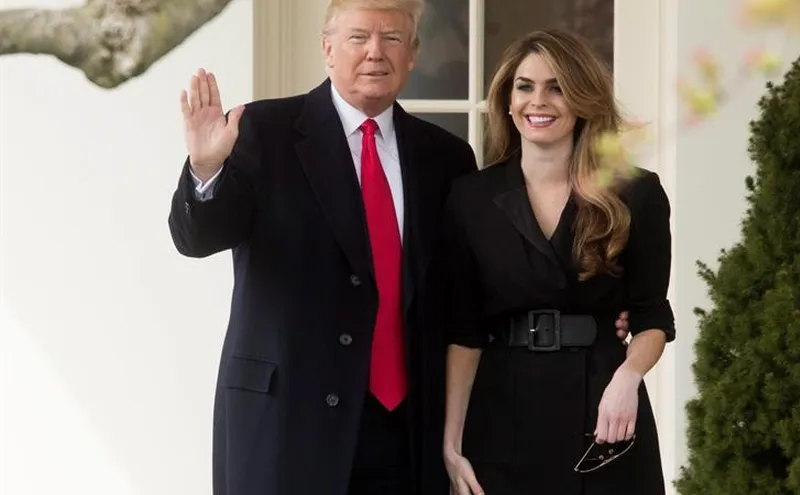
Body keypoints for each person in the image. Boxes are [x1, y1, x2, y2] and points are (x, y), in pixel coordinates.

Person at [170, 0, 633, 492]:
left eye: (391, 38)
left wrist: (599, 310)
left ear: (412, 53)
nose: (375, 52)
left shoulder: (445, 157)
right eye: (358, 37)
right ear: (327, 49)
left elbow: (474, 287)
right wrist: (205, 169)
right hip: (289, 424)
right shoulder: (262, 130)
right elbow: (198, 238)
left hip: (409, 432)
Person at [441, 28, 674, 495]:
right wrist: (451, 442)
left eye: (557, 88)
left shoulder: (636, 193)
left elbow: (652, 317)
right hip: (502, 414)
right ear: (507, 100)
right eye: (525, 86)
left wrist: (628, 378)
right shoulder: (471, 197)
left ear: (582, 99)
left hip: (604, 411)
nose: (538, 101)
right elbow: (465, 333)